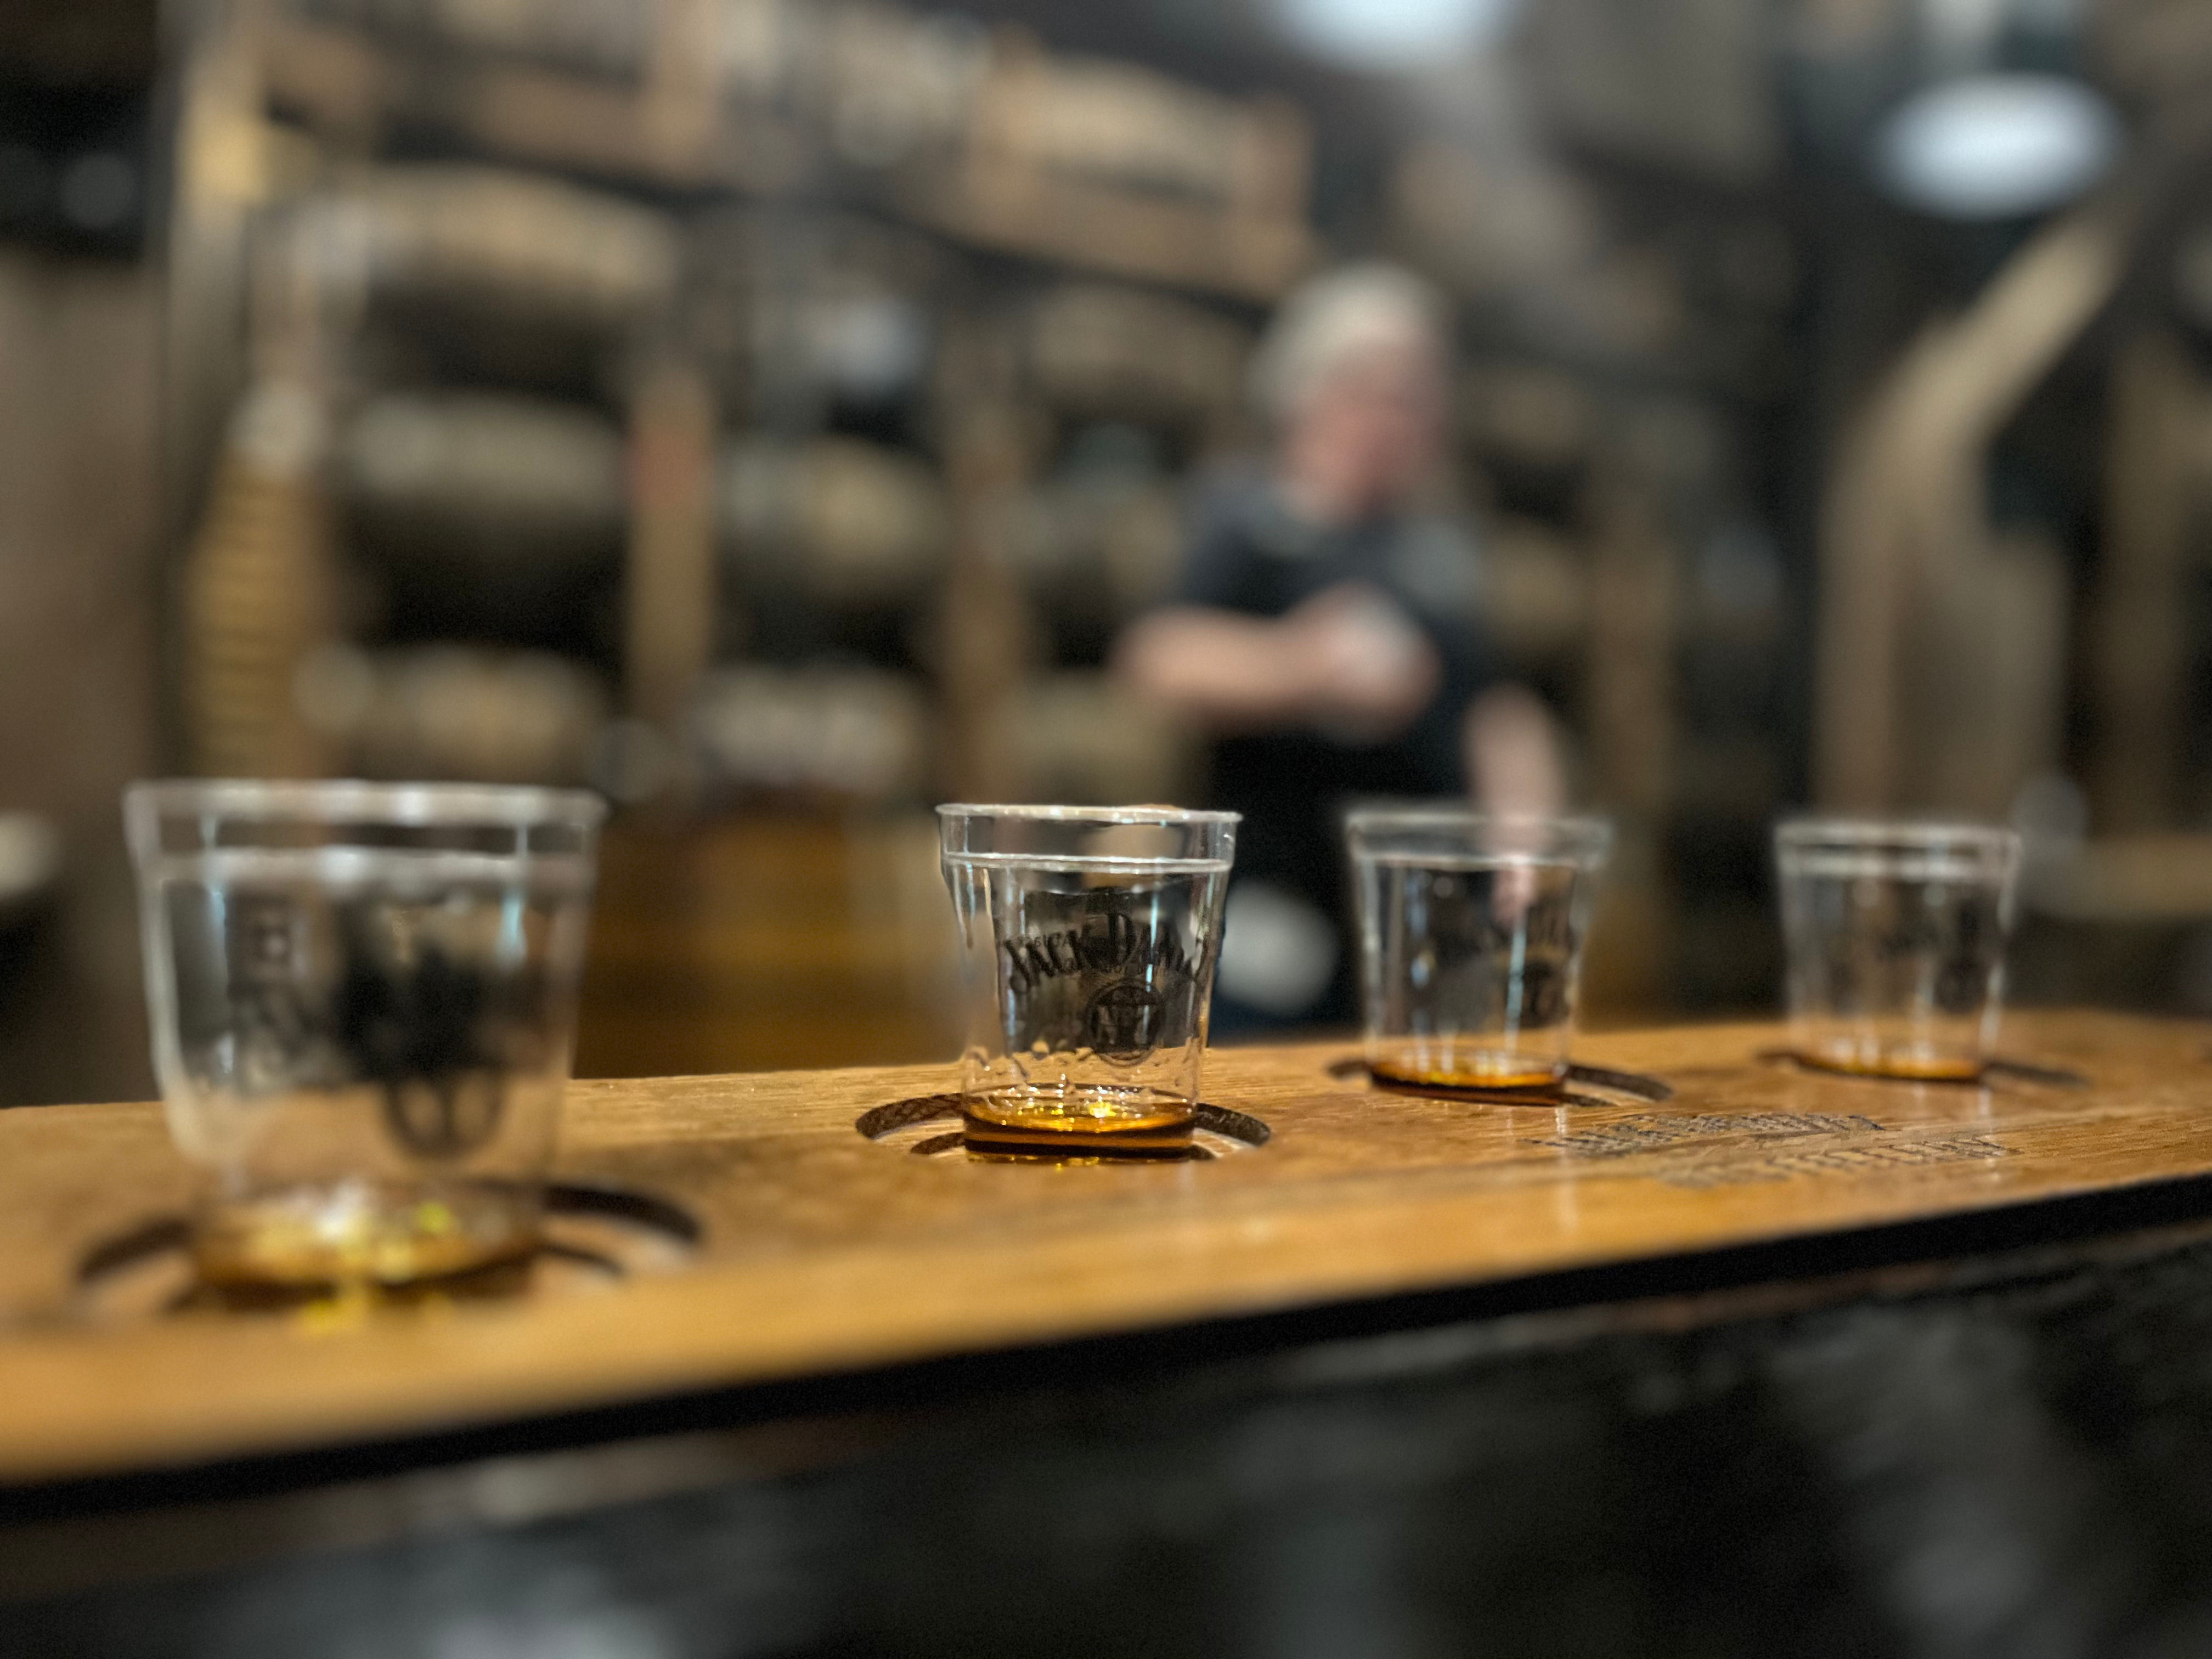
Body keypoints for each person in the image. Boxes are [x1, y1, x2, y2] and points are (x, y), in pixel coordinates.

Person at [1114, 262, 1565, 1030]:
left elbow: (1496, 707)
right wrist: (1306, 667)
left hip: (1425, 923)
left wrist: (1529, 841)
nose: (1395, 418)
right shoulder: (1246, 520)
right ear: (1306, 390)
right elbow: (1160, 659)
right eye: (1374, 390)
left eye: (1416, 398)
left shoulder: (1439, 549)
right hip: (1273, 912)